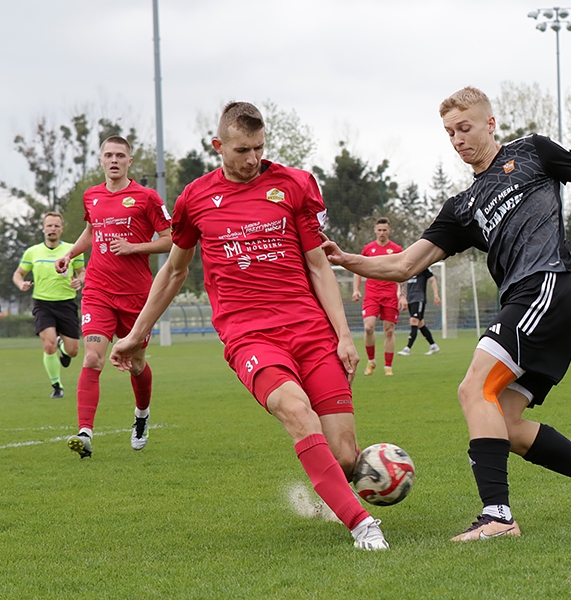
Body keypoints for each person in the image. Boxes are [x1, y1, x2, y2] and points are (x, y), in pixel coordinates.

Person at [322, 86, 571, 542]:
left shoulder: (533, 152)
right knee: (506, 424)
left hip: (547, 285)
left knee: (473, 388)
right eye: (449, 133)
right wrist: (346, 259)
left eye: (465, 128)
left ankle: (498, 516)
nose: (458, 139)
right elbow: (404, 264)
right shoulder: (462, 207)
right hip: (532, 302)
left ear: (490, 123)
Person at [109, 102, 389, 551]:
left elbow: (318, 266)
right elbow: (174, 272)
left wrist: (343, 334)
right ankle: (362, 525)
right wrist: (136, 334)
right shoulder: (195, 198)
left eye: (259, 148)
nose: (253, 158)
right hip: (251, 336)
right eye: (242, 149)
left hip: (311, 331)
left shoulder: (295, 184)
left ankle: (330, 496)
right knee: (296, 412)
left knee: (344, 455)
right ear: (217, 145)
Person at [55, 135, 173, 458]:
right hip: (98, 291)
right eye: (109, 155)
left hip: (137, 296)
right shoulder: (91, 196)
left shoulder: (147, 198)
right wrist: (70, 253)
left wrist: (135, 247)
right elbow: (93, 231)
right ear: (101, 160)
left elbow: (170, 240)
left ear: (130, 161)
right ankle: (85, 433)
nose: (114, 160)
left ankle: (141, 415)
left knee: (136, 364)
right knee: (93, 357)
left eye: (120, 155)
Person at [13, 212, 85, 398]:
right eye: (49, 225)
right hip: (43, 304)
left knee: (73, 351)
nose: (52, 229)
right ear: (43, 228)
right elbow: (18, 274)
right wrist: (21, 284)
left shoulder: (73, 250)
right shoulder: (32, 252)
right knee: (48, 345)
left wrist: (79, 281)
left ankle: (63, 346)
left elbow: (82, 272)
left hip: (66, 303)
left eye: (56, 226)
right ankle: (57, 386)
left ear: (61, 229)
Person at [353, 218, 403, 376]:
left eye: (385, 230)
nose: (382, 233)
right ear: (375, 230)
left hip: (390, 295)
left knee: (389, 331)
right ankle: (371, 361)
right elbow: (358, 269)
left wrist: (402, 294)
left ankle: (388, 366)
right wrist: (356, 289)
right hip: (372, 295)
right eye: (379, 230)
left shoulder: (396, 249)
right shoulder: (368, 249)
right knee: (368, 327)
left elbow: (403, 271)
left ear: (389, 231)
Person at [397, 267, 441, 356]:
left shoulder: (423, 267)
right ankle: (433, 345)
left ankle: (407, 348)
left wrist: (436, 295)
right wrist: (400, 295)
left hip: (419, 298)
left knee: (413, 321)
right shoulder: (408, 268)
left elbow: (432, 280)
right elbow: (401, 282)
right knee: (420, 324)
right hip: (409, 299)